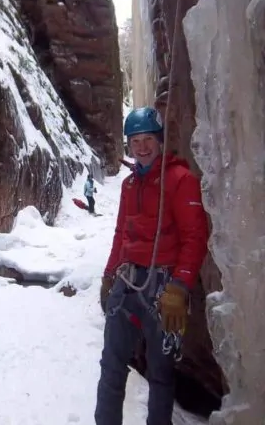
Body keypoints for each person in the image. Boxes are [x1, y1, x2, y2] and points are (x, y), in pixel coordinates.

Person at [95, 107, 209, 424]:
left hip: (164, 286)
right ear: (129, 145)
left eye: (147, 140)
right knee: (112, 364)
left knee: (161, 371)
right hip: (128, 281)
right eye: (135, 141)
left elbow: (194, 237)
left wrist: (180, 286)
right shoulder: (129, 185)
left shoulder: (181, 180)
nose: (142, 147)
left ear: (159, 141)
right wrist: (108, 276)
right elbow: (121, 234)